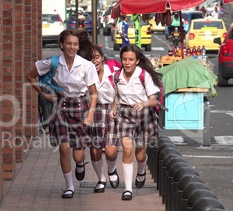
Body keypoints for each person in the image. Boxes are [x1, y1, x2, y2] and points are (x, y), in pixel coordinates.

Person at [26, 29, 98, 199]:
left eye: (75, 44)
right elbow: (30, 76)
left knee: (77, 154)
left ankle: (80, 164)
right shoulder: (53, 62)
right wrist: (43, 94)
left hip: (81, 107)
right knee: (64, 148)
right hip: (61, 106)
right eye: (69, 44)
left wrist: (91, 114)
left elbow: (94, 92)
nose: (72, 47)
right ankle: (69, 186)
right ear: (61, 45)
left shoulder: (86, 65)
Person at [108, 44, 161, 200]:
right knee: (127, 149)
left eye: (131, 59)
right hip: (125, 114)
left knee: (140, 155)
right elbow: (117, 96)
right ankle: (128, 189)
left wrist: (143, 104)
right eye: (124, 59)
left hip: (143, 114)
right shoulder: (116, 76)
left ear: (137, 61)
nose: (127, 62)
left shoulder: (144, 75)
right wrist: (113, 107)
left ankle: (142, 169)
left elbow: (154, 101)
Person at [88, 45, 120, 193]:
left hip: (112, 109)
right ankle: (101, 179)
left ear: (102, 58)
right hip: (94, 111)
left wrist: (115, 107)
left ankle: (112, 170)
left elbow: (121, 90)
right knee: (95, 150)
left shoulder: (113, 71)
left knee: (111, 151)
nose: (94, 61)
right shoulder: (85, 74)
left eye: (96, 57)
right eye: (90, 58)